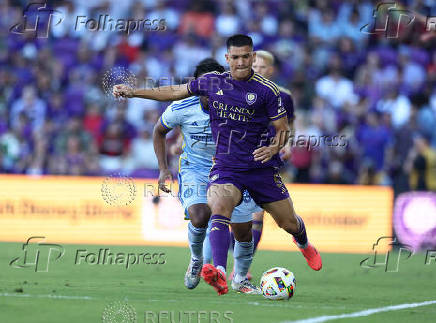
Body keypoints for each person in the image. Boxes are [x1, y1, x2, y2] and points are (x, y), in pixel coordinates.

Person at [113, 34, 322, 297]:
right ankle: (220, 272)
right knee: (219, 207)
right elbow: (174, 91)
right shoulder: (212, 82)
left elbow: (283, 130)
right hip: (226, 167)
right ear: (227, 59)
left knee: (288, 222)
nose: (241, 62)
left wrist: (273, 148)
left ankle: (304, 244)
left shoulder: (267, 91)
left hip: (260, 168)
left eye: (246, 56)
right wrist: (134, 92)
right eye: (235, 57)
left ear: (253, 57)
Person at [153, 58, 261, 294]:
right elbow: (159, 131)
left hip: (233, 170)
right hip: (196, 169)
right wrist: (163, 168)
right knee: (199, 216)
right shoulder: (182, 107)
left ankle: (240, 278)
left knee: (243, 230)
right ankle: (196, 259)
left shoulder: (237, 105)